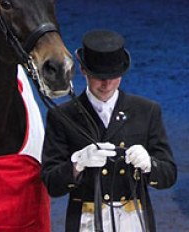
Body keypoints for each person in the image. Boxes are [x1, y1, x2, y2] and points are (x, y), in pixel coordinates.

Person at [41, 29, 177, 232]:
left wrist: (151, 164)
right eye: (99, 77)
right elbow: (52, 183)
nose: (106, 85)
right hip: (86, 219)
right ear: (84, 71)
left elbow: (169, 174)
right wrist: (76, 165)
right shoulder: (63, 116)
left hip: (133, 218)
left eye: (113, 76)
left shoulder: (146, 111)